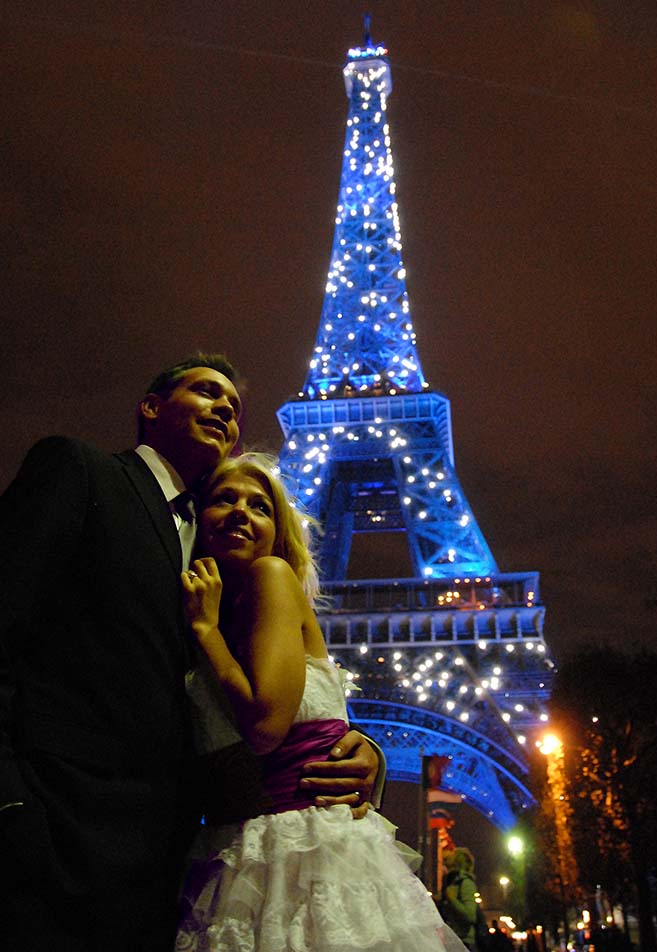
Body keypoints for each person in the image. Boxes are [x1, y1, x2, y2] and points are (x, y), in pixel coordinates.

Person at [0, 355, 381, 952]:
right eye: (205, 392)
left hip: (171, 870)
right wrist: (9, 802)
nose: (227, 407)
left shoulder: (235, 586)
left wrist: (356, 746)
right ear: (150, 407)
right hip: (59, 837)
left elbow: (280, 698)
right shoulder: (80, 472)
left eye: (234, 404)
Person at [175, 452, 468, 952]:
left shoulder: (268, 578)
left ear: (279, 534)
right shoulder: (215, 614)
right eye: (225, 499)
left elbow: (268, 726)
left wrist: (205, 631)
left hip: (299, 854)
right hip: (245, 852)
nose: (243, 512)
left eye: (260, 506)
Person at [439, 847, 481, 950]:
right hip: (453, 940)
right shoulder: (452, 882)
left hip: (464, 942)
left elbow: (470, 916)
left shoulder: (465, 883)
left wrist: (453, 900)